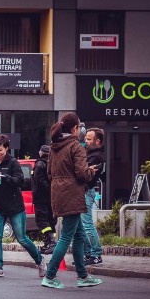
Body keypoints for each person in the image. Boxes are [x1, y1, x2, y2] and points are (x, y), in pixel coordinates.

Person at [42, 113, 102, 289]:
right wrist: (91, 170)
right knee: (67, 236)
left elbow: (49, 173)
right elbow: (82, 174)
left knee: (79, 235)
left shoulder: (54, 146)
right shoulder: (76, 146)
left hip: (58, 192)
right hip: (72, 194)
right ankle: (50, 275)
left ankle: (83, 276)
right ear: (75, 128)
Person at [0, 134, 46, 278]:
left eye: (0, 150)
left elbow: (21, 181)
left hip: (15, 206)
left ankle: (40, 261)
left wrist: (5, 178)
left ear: (7, 148)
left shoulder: (13, 162)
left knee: (22, 238)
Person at [83, 128, 106, 265]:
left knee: (87, 224)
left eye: (89, 139)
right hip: (84, 192)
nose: (86, 141)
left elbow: (85, 175)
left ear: (97, 141)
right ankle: (88, 254)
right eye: (85, 138)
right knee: (82, 224)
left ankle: (96, 254)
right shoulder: (91, 154)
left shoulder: (96, 156)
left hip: (87, 191)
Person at [33, 145, 57, 254]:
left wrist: (48, 189)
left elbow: (39, 181)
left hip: (40, 198)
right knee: (50, 220)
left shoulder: (39, 164)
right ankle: (49, 243)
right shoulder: (52, 163)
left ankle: (51, 242)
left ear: (40, 152)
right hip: (51, 197)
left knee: (42, 221)